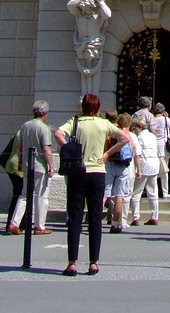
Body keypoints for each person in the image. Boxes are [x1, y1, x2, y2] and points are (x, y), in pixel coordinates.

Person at [53, 93, 127, 277]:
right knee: (95, 217)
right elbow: (124, 138)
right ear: (97, 107)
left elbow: (57, 133)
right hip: (98, 172)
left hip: (78, 170)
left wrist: (67, 148)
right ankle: (93, 262)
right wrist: (107, 154)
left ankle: (72, 263)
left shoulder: (76, 122)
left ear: (83, 107)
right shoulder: (103, 123)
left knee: (75, 217)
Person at [8, 101, 54, 235]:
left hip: (27, 164)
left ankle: (14, 222)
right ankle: (39, 226)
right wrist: (51, 165)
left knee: (24, 195)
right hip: (40, 165)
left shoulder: (25, 126)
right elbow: (46, 149)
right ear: (45, 113)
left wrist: (20, 161)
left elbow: (19, 146)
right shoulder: (44, 128)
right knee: (41, 196)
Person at [105, 112, 136, 233]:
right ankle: (115, 225)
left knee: (104, 194)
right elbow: (132, 148)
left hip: (109, 163)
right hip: (123, 166)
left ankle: (94, 222)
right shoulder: (127, 134)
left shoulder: (110, 132)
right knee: (119, 196)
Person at [127, 113, 159, 226]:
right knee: (153, 192)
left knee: (136, 192)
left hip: (144, 166)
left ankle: (136, 217)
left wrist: (137, 169)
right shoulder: (153, 136)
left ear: (139, 127)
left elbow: (137, 154)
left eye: (134, 127)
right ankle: (154, 216)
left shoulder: (139, 138)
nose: (133, 130)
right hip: (154, 165)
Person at [150, 102, 170, 199]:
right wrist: (167, 117)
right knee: (164, 170)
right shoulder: (165, 119)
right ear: (163, 110)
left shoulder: (152, 119)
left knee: (155, 170)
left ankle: (154, 192)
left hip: (154, 145)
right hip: (164, 147)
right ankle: (165, 192)